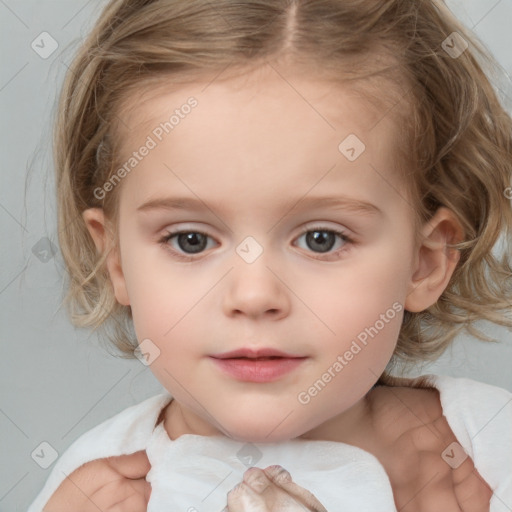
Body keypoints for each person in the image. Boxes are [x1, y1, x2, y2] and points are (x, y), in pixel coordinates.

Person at [29, 0, 512, 510]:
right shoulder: (90, 492)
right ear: (118, 261)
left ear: (424, 263)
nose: (254, 296)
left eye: (321, 239)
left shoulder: (490, 452)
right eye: (190, 240)